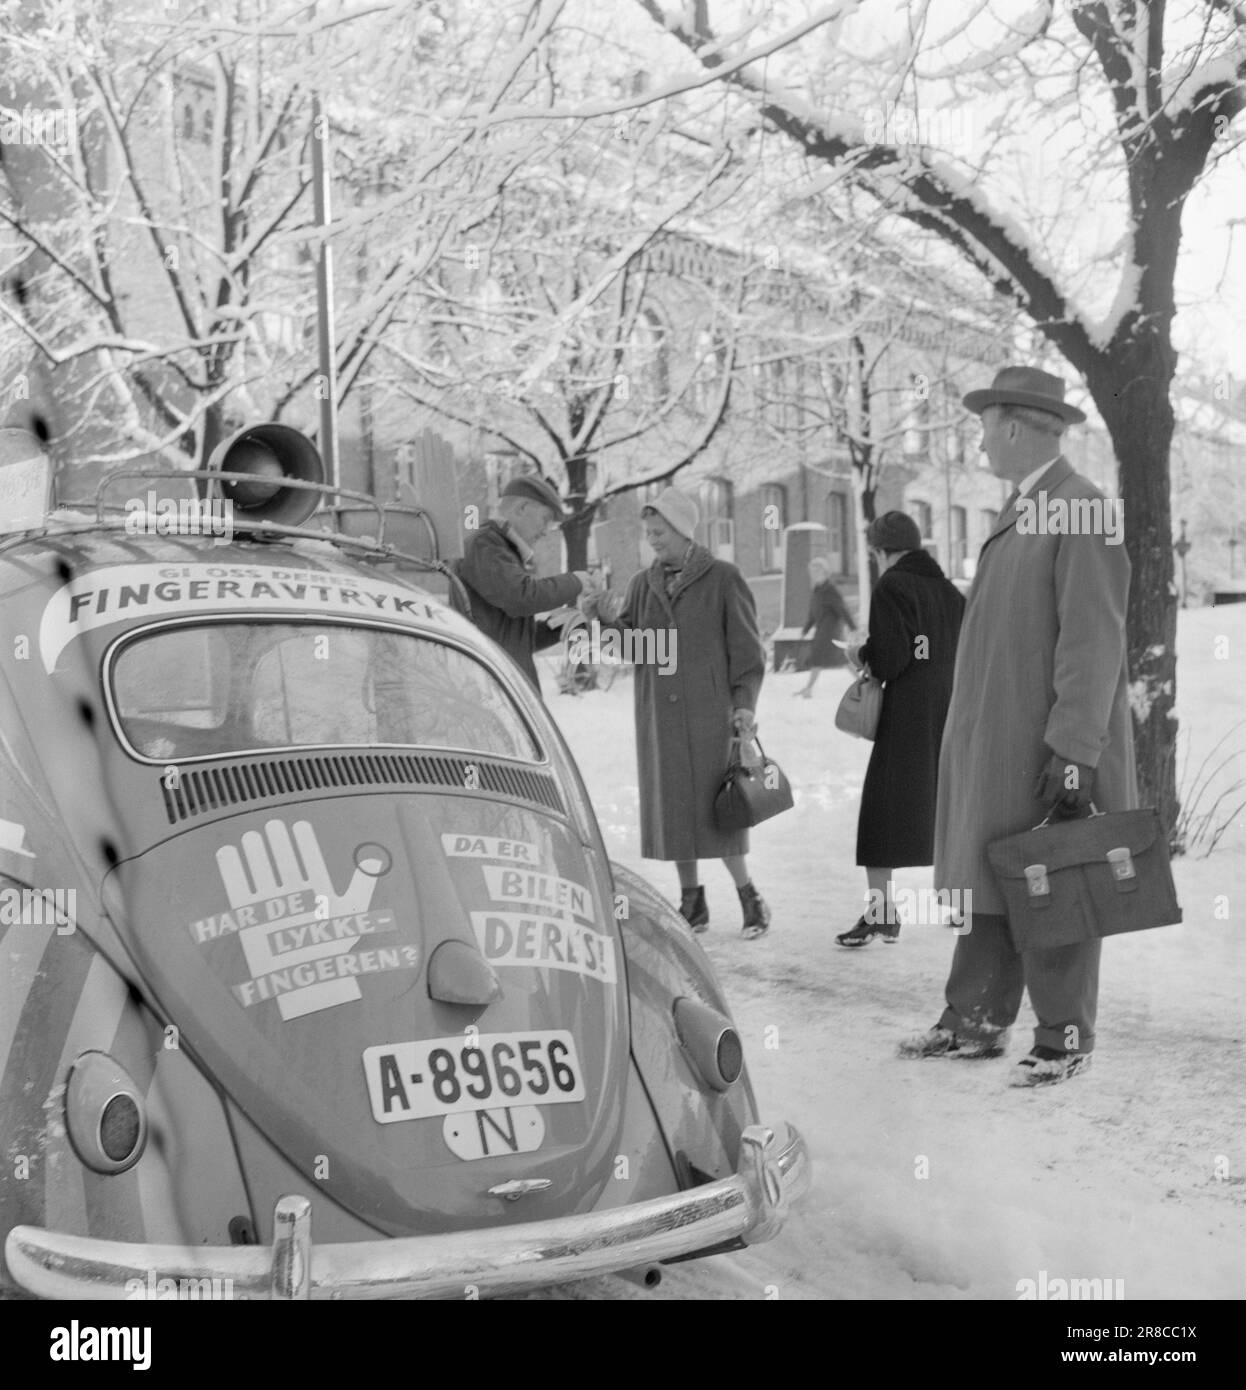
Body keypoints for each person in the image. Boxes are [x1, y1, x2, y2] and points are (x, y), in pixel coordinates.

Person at [898, 365, 1136, 1088]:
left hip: (1047, 746)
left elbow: (1092, 642)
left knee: (1052, 885)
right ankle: (973, 1017)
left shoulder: (1081, 509)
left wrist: (1073, 750)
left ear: (1013, 425)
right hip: (999, 744)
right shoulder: (1025, 507)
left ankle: (1065, 1036)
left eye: (981, 428)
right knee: (990, 884)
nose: (978, 444)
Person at [586, 487, 770, 938]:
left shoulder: (724, 579)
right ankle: (693, 902)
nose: (653, 540)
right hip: (661, 719)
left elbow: (747, 653)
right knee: (676, 810)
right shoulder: (641, 584)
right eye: (648, 533)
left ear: (684, 530)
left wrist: (743, 706)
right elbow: (627, 649)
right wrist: (602, 619)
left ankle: (750, 897)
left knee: (721, 810)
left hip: (711, 716)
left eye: (660, 532)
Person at [837, 512, 965, 946]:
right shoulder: (951, 593)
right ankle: (964, 904)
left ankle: (882, 913)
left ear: (880, 550)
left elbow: (893, 658)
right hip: (950, 710)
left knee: (882, 812)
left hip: (908, 712)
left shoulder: (892, 586)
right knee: (948, 806)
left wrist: (861, 654)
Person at [455, 474, 599, 693]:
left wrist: (560, 624)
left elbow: (515, 640)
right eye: (545, 519)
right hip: (491, 690)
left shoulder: (501, 551)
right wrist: (575, 581)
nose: (545, 531)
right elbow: (521, 597)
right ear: (522, 508)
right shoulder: (485, 544)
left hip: (500, 687)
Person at [796, 557, 854, 697]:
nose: (814, 574)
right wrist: (805, 629)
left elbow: (842, 609)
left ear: (825, 572)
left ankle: (808, 689)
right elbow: (812, 613)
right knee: (836, 659)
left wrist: (853, 626)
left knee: (823, 658)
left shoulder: (830, 590)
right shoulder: (816, 590)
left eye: (817, 571)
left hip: (831, 631)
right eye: (812, 571)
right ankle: (808, 689)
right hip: (822, 630)